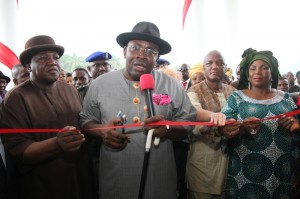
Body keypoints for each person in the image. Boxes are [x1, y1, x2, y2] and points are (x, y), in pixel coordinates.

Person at [79, 21, 225, 199]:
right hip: (116, 177)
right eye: (135, 48)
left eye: (151, 51)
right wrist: (102, 133)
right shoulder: (100, 85)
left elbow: (187, 123)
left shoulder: (171, 85)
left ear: (156, 58)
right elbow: (85, 121)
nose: (142, 55)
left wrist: (169, 128)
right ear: (125, 51)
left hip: (160, 178)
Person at [0, 35, 97, 199]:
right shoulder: (16, 97)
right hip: (43, 184)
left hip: (80, 178)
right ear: (29, 66)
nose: (52, 62)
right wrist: (57, 143)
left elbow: (83, 126)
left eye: (56, 58)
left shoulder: (70, 90)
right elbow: (20, 150)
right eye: (43, 58)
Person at [220, 48, 300, 198]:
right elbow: (224, 130)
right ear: (248, 74)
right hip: (247, 168)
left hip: (283, 168)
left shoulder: (286, 98)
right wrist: (241, 127)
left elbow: (297, 131)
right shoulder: (237, 98)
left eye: (264, 68)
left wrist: (294, 126)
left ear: (272, 73)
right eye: (253, 68)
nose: (257, 72)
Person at [186, 50, 236, 199]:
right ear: (204, 67)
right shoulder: (193, 91)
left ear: (225, 67)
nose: (215, 66)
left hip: (231, 162)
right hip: (204, 163)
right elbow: (193, 116)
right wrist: (218, 128)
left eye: (219, 63)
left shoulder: (233, 92)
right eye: (209, 63)